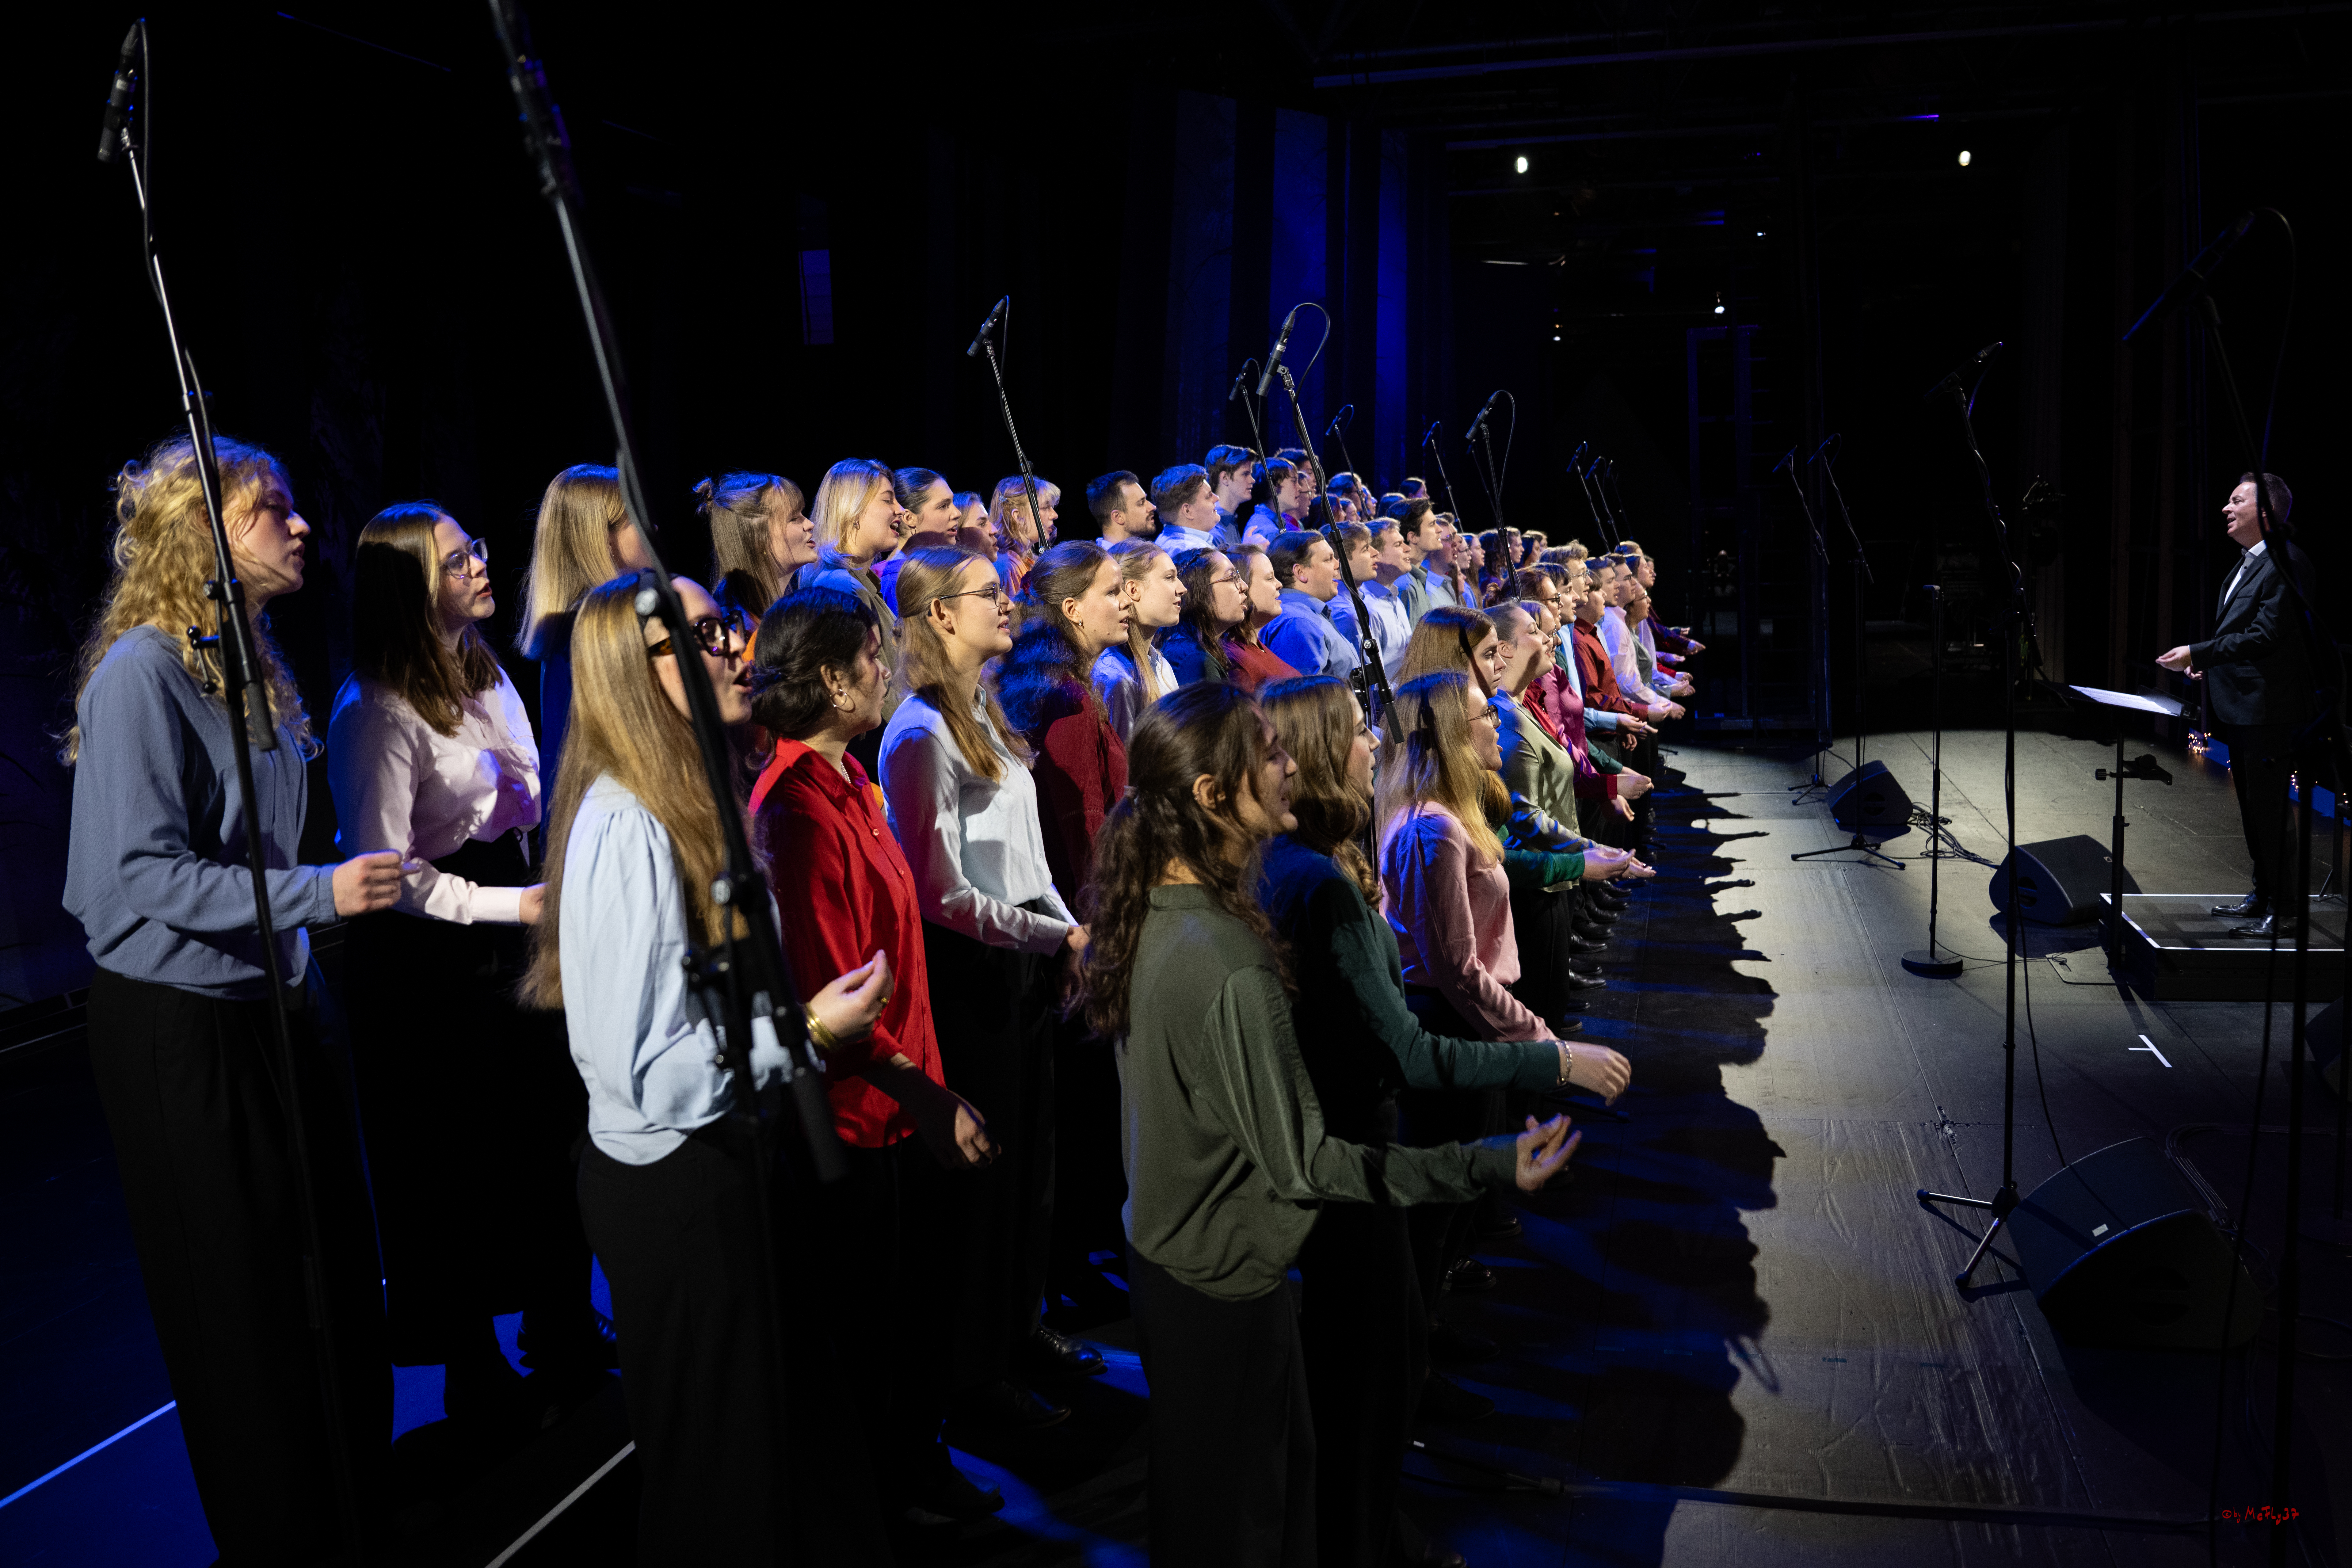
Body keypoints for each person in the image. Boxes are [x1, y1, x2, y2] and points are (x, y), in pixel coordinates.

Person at [1070, 680, 1580, 1567]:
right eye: (1266, 752)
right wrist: (1486, 1162)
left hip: (1181, 1271)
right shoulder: (1229, 956)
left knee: (1231, 1513)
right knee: (1246, 1528)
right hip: (1221, 1290)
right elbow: (1307, 1164)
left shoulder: (1165, 906)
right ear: (1211, 794)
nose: (1287, 764)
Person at [64, 435, 400, 1562]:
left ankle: (349, 1511)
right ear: (200, 530)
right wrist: (319, 892)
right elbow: (134, 878)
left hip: (275, 1003)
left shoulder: (248, 656)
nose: (301, 526)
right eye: (275, 510)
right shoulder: (142, 676)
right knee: (242, 1307)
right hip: (182, 1027)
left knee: (331, 1280)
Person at [528, 572, 900, 1559]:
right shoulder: (626, 825)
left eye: (722, 625)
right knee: (719, 1482)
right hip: (675, 1184)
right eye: (698, 635)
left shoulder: (692, 798)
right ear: (634, 673)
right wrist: (808, 1035)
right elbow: (651, 1070)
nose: (734, 646)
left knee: (782, 1455)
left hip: (734, 1156)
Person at [1257, 675, 1626, 1567]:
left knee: (1357, 1366)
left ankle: (1364, 1528)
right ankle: (1364, 1535)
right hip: (1355, 1146)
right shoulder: (1321, 881)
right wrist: (1552, 1059)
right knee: (1369, 1374)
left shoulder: (1299, 862)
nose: (1371, 745)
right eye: (1352, 732)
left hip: (1330, 1141)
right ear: (1313, 756)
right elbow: (1413, 1046)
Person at [329, 502, 608, 1422]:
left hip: (502, 913)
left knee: (541, 1134)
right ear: (411, 589)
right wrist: (507, 901)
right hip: (424, 948)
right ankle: (471, 1369)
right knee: (454, 1164)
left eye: (475, 551)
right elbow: (385, 870)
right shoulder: (375, 707)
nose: (481, 568)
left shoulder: (484, 669)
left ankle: (556, 1325)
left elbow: (519, 793)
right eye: (458, 562)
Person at [744, 583, 1007, 1525]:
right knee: (871, 1332)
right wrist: (928, 1099)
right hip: (857, 1124)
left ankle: (913, 1472)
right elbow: (836, 1004)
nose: (883, 669)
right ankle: (887, 1505)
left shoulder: (849, 778)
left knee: (914, 1318)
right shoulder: (796, 812)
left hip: (904, 1103)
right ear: (828, 678)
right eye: (867, 657)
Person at [880, 548, 1101, 1430]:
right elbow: (942, 893)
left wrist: (1063, 928)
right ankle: (975, 1377)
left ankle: (1020, 1326)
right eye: (988, 594)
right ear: (940, 615)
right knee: (984, 1181)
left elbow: (1028, 855)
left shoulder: (984, 709)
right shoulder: (917, 733)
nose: (1010, 603)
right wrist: (1060, 933)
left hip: (1025, 950)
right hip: (968, 970)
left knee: (1032, 1165)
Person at [996, 541, 1138, 1308]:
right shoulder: (1072, 701)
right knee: (1081, 1110)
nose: (1124, 601)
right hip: (1076, 930)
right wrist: (1096, 934)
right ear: (1072, 607)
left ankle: (1074, 1260)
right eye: (1112, 590)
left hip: (1063, 925)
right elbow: (1082, 827)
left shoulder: (1064, 686)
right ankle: (1071, 1268)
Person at [2159, 471, 2317, 935]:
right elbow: (2239, 635)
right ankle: (2264, 895)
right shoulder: (2248, 562)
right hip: (2242, 705)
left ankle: (2285, 910)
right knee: (2252, 808)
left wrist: (2199, 652)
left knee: (2269, 810)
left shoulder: (2288, 562)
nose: (2225, 509)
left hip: (2270, 709)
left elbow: (2267, 636)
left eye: (2235, 501)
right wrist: (2209, 663)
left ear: (2264, 512)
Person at [517, 463, 655, 834]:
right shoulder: (594, 631)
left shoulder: (575, 625)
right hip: (613, 829)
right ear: (602, 537)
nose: (652, 529)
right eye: (635, 520)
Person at [794, 457, 912, 770]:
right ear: (854, 511)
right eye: (888, 500)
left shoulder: (860, 581)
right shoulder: (840, 587)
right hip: (882, 754)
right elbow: (869, 688)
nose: (900, 510)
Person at [1091, 539, 1185, 741]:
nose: (1182, 588)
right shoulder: (1116, 677)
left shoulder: (1159, 663)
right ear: (1133, 590)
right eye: (1170, 578)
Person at [702, 471, 813, 626]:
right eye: (794, 519)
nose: (810, 524)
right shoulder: (740, 628)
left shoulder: (784, 609)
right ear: (758, 540)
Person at [1261, 529, 1362, 680]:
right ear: (1300, 572)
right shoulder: (1298, 624)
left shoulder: (1308, 616)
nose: (1337, 564)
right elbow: (1310, 700)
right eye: (1329, 559)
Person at [1332, 518, 1412, 683]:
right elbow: (1371, 684)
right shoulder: (1353, 612)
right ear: (1342, 562)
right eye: (1366, 549)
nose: (1374, 553)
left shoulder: (1394, 597)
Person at [1219, 542, 1305, 691]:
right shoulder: (1235, 659)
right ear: (1243, 586)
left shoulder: (1257, 646)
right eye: (1270, 578)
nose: (1279, 585)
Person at [1162, 547, 1248, 688]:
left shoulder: (1198, 650)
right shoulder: (1195, 660)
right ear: (1199, 591)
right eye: (1232, 578)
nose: (1244, 586)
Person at [880, 466, 961, 612]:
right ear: (909, 518)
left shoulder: (930, 569)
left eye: (953, 503)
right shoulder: (898, 580)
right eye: (943, 506)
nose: (957, 513)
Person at [988, 475, 1048, 597]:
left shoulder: (1026, 560)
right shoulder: (1009, 568)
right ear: (1018, 516)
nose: (1054, 515)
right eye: (1045, 508)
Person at [1153, 463, 1223, 554]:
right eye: (1209, 496)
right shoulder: (1195, 553)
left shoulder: (1165, 539)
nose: (1217, 498)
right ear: (1188, 511)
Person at [1205, 443, 1259, 544]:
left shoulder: (1230, 522)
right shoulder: (1212, 528)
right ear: (1225, 478)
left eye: (1251, 474)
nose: (1253, 480)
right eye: (1245, 474)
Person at [1089, 469, 1158, 544]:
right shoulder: (1096, 556)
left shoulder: (1149, 554)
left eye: (1146, 499)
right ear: (1119, 517)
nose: (1153, 507)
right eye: (1141, 503)